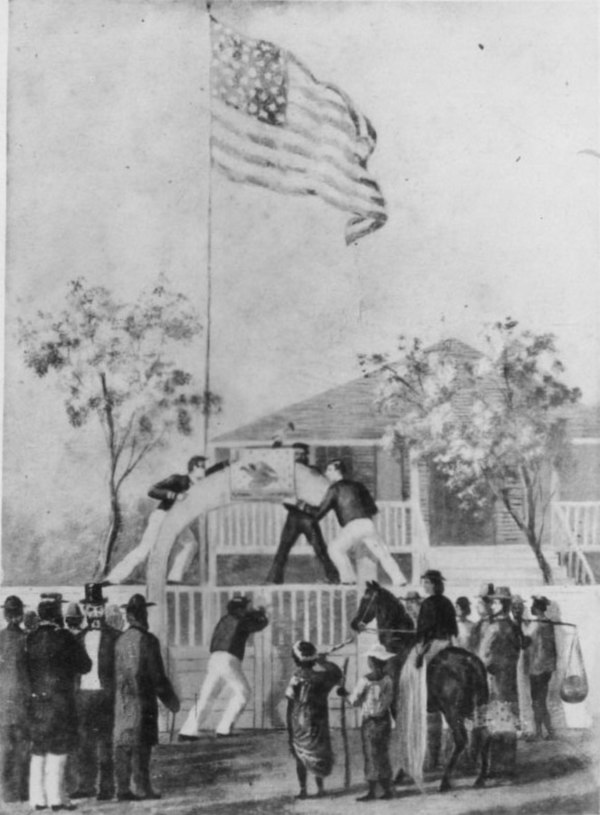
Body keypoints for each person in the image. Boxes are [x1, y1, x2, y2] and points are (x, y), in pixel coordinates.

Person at [25, 592, 92, 812]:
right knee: (58, 750)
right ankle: (56, 799)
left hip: (37, 703)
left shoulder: (30, 638)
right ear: (57, 614)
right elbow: (85, 666)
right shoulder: (64, 637)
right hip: (61, 702)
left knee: (38, 750)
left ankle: (37, 799)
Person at [113, 594, 180, 801]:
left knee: (123, 745)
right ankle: (142, 788)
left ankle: (123, 788)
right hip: (142, 700)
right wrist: (171, 701)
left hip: (122, 701)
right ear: (141, 615)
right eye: (143, 613)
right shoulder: (149, 641)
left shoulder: (120, 640)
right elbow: (157, 676)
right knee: (141, 746)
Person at [395, 569, 457, 788]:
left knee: (409, 674)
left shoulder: (429, 604)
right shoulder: (447, 602)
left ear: (434, 584)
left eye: (428, 583)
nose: (426, 586)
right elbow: (452, 629)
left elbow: (424, 632)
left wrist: (420, 653)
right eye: (425, 583)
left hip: (433, 645)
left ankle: (416, 698)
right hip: (448, 643)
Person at [179, 593, 269, 739]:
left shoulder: (224, 619)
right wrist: (261, 613)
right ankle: (224, 728)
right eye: (245, 607)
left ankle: (187, 731)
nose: (247, 609)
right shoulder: (241, 620)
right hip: (229, 659)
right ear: (240, 609)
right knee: (243, 693)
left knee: (207, 697)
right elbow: (260, 624)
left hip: (214, 659)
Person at [107, 455, 207, 584]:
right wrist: (175, 495)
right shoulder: (177, 479)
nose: (206, 470)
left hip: (178, 520)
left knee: (191, 544)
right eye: (203, 467)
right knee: (145, 549)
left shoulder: (199, 486)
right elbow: (152, 490)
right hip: (163, 516)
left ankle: (173, 579)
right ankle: (113, 578)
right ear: (194, 468)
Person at [312, 459, 407, 586]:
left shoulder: (334, 489)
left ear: (337, 471)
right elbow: (373, 509)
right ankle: (400, 579)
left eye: (329, 470)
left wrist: (307, 515)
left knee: (334, 549)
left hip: (352, 526)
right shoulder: (359, 486)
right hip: (367, 524)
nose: (326, 473)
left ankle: (348, 579)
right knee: (382, 553)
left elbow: (320, 511)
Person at [70, 584, 121, 802]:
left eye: (98, 608)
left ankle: (107, 788)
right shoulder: (78, 638)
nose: (94, 613)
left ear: (104, 608)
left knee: (105, 744)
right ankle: (85, 786)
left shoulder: (115, 637)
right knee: (84, 744)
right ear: (86, 611)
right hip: (83, 697)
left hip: (105, 696)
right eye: (90, 609)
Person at [266, 443, 340, 584]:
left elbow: (322, 487)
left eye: (302, 453)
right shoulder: (287, 471)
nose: (299, 456)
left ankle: (333, 577)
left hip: (308, 517)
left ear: (306, 455)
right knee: (283, 548)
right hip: (293, 516)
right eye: (296, 453)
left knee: (320, 549)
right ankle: (274, 579)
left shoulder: (312, 471)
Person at [285, 640, 343, 799]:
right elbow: (337, 673)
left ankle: (303, 790)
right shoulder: (324, 677)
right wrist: (323, 661)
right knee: (319, 753)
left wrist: (290, 728)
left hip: (299, 721)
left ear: (297, 659)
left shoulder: (297, 677)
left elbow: (290, 702)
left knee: (301, 755)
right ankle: (320, 789)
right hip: (319, 719)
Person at [477, 585, 522, 778]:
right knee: (508, 723)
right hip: (509, 681)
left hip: (495, 682)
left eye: (495, 602)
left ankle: (496, 768)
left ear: (501, 604)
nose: (492, 605)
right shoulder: (513, 627)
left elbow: (482, 656)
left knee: (496, 724)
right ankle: (507, 767)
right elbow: (518, 650)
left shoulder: (494, 627)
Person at [347, 643, 395, 802]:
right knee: (382, 754)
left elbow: (353, 701)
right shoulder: (388, 679)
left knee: (370, 755)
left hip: (370, 722)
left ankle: (372, 791)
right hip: (384, 721)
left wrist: (345, 694)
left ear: (372, 662)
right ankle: (387, 789)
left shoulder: (365, 680)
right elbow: (388, 700)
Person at [0, 595, 30, 805]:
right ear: (20, 615)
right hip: (23, 700)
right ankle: (23, 791)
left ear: (5, 614)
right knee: (23, 747)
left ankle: (8, 793)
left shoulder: (0, 638)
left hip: (4, 701)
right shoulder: (26, 638)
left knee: (6, 747)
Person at [525, 596, 557, 741]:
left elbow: (548, 648)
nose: (531, 608)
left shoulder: (541, 625)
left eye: (533, 606)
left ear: (537, 608)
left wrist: (548, 668)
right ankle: (544, 731)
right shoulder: (541, 624)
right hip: (538, 667)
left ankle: (544, 732)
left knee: (538, 701)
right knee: (538, 701)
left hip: (540, 668)